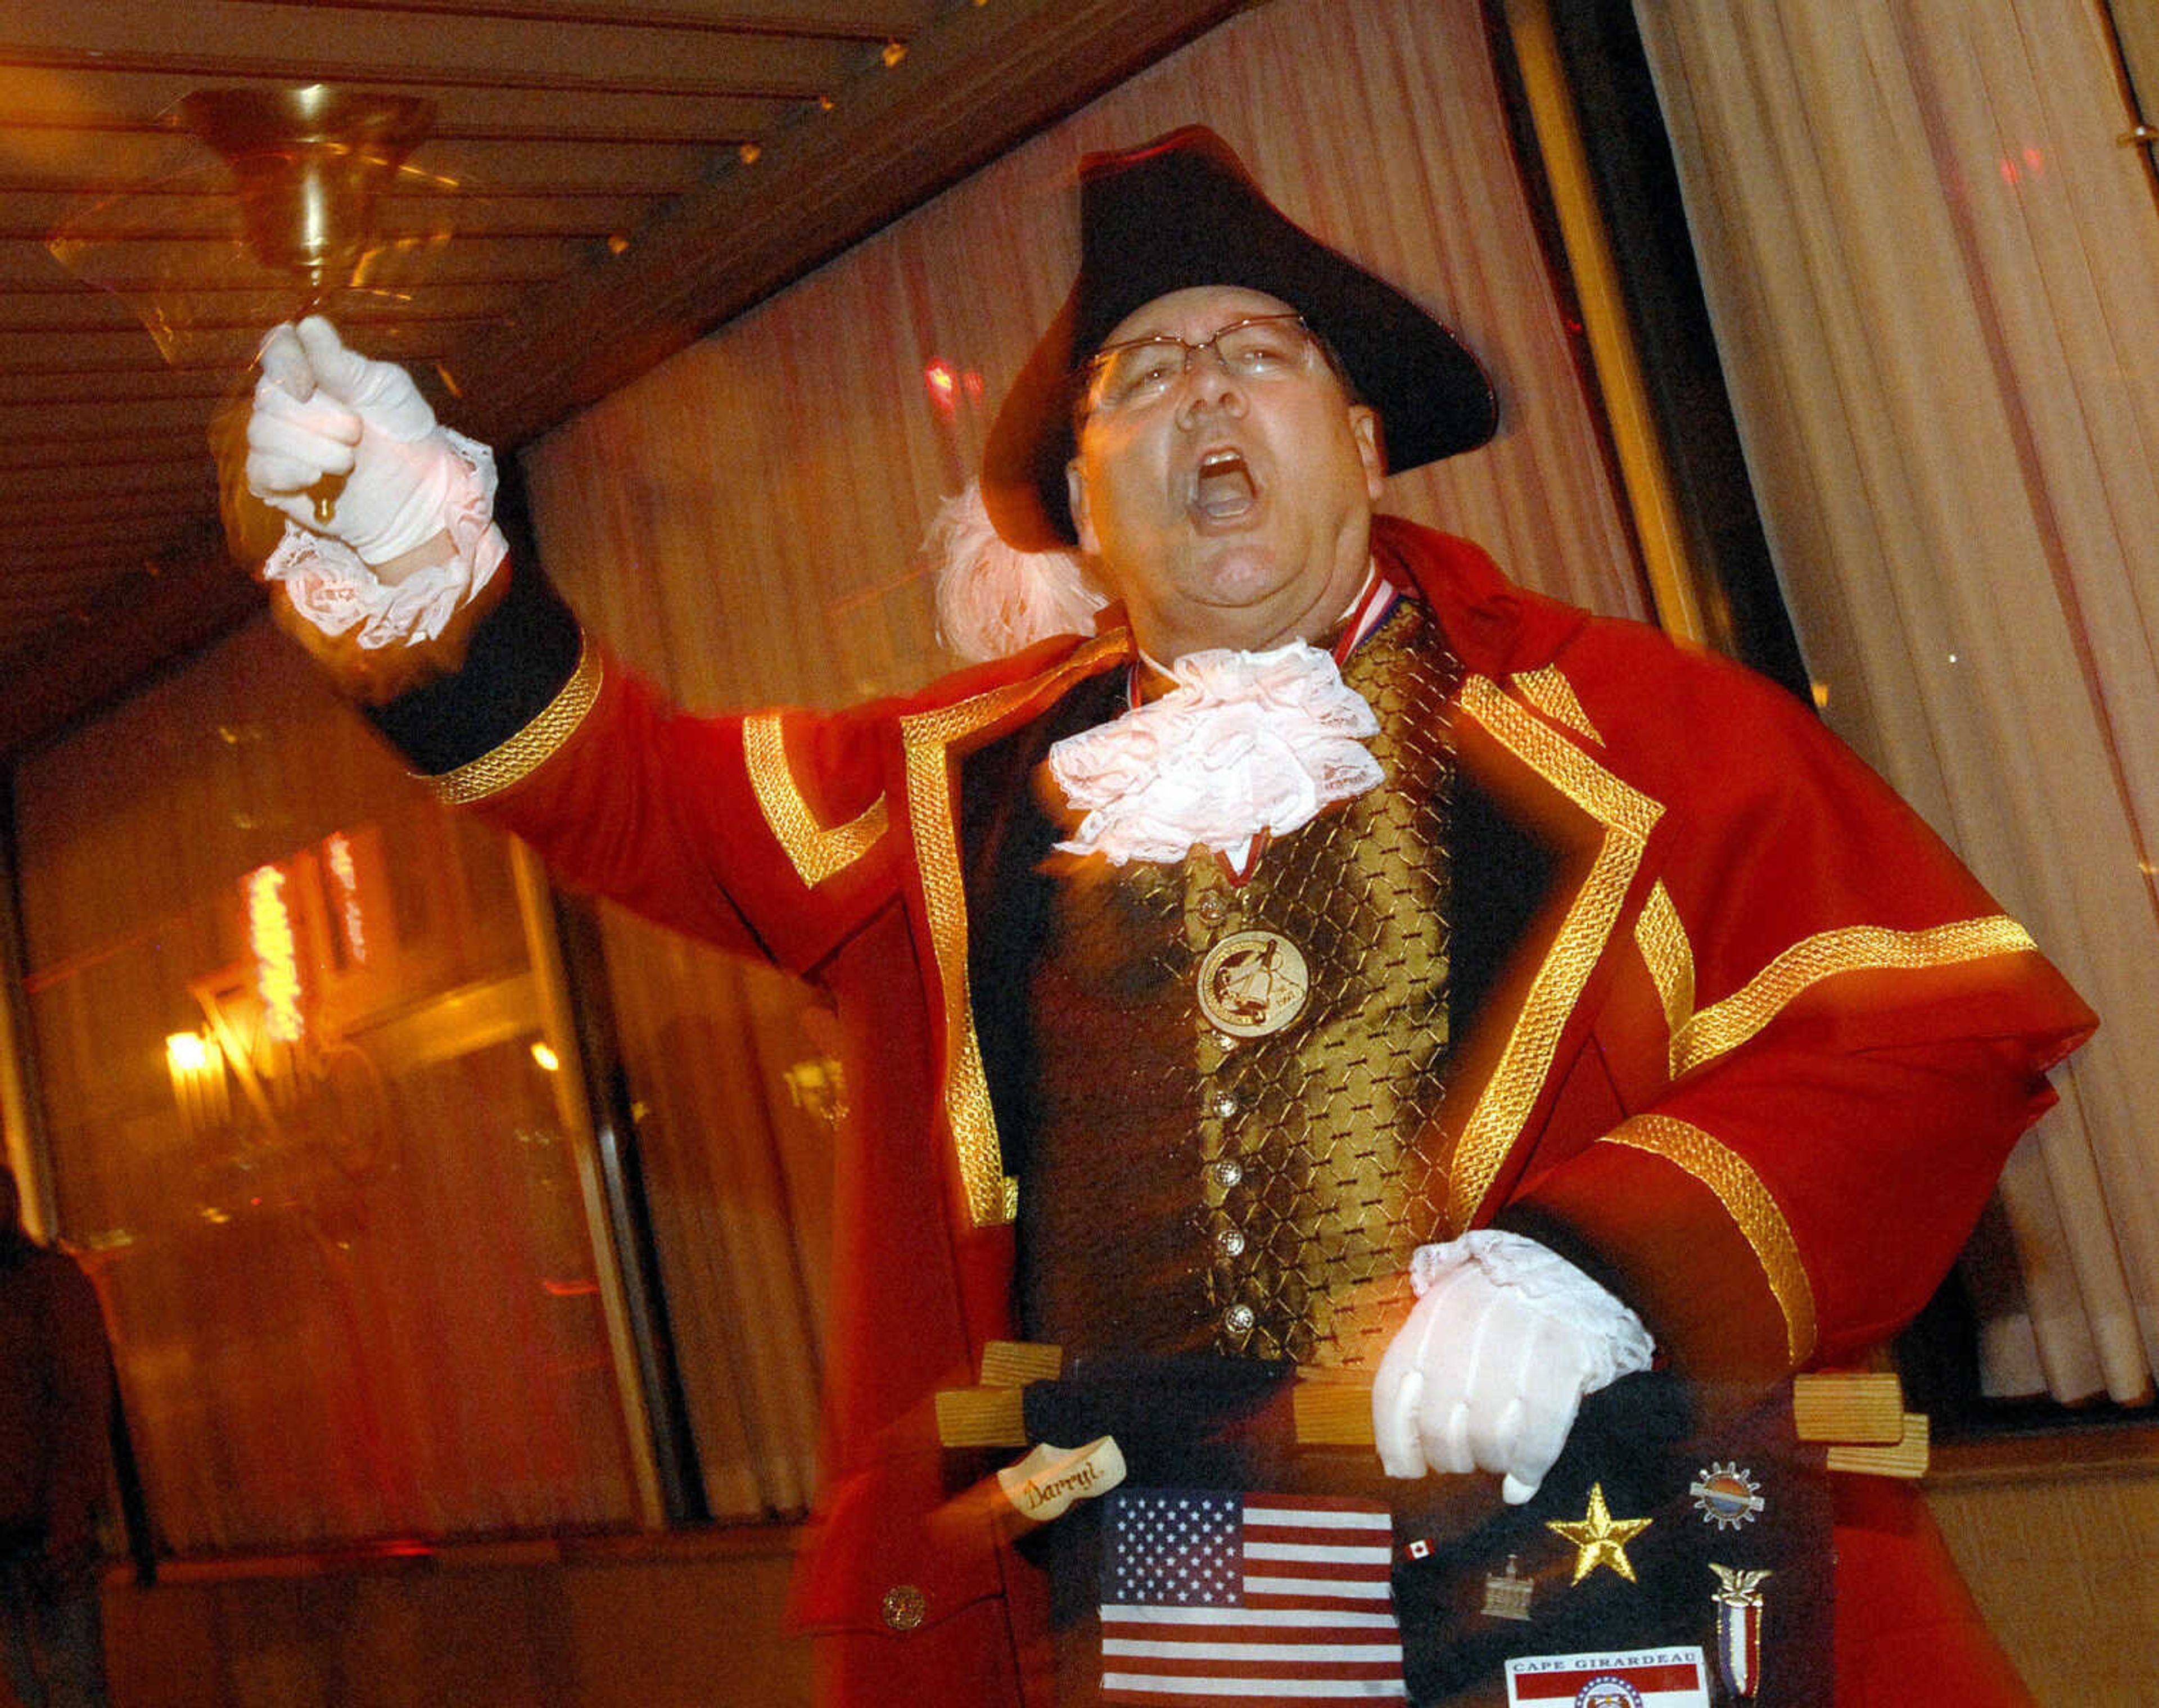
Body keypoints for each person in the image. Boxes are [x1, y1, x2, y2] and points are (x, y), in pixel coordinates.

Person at [232, 129, 2093, 1706]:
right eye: (1142, 376)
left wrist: (1599, 1265)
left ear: (1365, 444)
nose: (1202, 390)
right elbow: (630, 790)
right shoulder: (950, 786)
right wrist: (432, 583)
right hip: (1144, 1618)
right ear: (1088, 512)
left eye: (1257, 351)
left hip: (1593, 1596)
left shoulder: (1649, 726)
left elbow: (1921, 1033)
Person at [0, 1167, 114, 1708]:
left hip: (44, 1530)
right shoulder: (40, 1286)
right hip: (23, 1528)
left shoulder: (48, 1285)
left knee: (64, 1686)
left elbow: (79, 1407)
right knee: (39, 1685)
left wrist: (66, 1521)